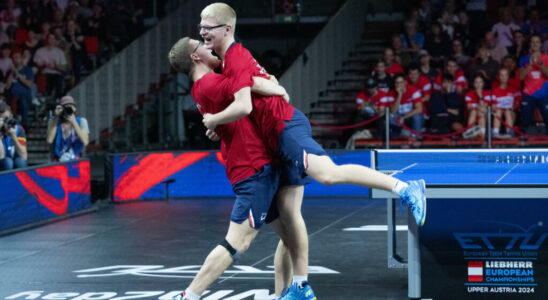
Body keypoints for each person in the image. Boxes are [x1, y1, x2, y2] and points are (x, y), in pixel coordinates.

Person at [174, 3, 426, 300]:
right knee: (290, 224)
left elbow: (248, 96)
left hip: (283, 126)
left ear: (226, 29)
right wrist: (259, 96)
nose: (202, 34)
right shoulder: (226, 66)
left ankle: (405, 187)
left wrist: (239, 107)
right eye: (199, 32)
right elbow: (257, 86)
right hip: (271, 141)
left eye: (206, 29)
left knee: (327, 175)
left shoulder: (235, 58)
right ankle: (294, 290)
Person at [169, 36, 299, 300]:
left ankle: (281, 295)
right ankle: (189, 296)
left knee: (291, 236)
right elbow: (253, 85)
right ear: (196, 57)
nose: (210, 45)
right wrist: (276, 86)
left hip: (262, 166)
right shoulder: (210, 83)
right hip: (253, 172)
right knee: (238, 242)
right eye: (202, 44)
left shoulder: (201, 89)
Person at [519, 34, 548, 134]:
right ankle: (522, 143)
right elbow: (521, 77)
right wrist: (530, 64)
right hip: (528, 94)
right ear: (530, 44)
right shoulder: (524, 59)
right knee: (525, 121)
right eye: (533, 42)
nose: (535, 44)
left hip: (544, 94)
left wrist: (539, 62)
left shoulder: (546, 58)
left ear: (540, 44)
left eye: (537, 42)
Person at [46, 96, 89, 161]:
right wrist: (56, 117)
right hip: (58, 158)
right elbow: (49, 140)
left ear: (75, 108)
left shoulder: (82, 121)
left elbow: (85, 141)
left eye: (70, 107)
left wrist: (74, 122)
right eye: (65, 107)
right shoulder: (53, 121)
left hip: (77, 158)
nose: (67, 110)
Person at [384, 73, 424, 138]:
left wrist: (404, 117)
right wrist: (399, 95)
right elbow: (393, 111)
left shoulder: (413, 90)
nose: (399, 85)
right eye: (397, 83)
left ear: (405, 82)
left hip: (410, 117)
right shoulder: (391, 93)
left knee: (417, 116)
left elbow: (419, 109)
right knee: (388, 117)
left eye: (401, 82)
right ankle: (402, 133)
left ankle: (417, 139)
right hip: (399, 117)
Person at [33, 33, 68, 100]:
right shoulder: (40, 51)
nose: (51, 40)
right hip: (44, 73)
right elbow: (36, 65)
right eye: (50, 38)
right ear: (47, 39)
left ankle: (57, 99)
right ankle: (45, 98)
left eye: (53, 38)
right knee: (43, 79)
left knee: (59, 80)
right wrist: (44, 65)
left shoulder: (60, 52)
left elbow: (64, 67)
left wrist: (56, 66)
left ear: (55, 40)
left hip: (56, 73)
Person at [8, 50, 34, 131]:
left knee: (23, 101)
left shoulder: (27, 70)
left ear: (22, 59)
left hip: (24, 96)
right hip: (13, 96)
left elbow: (29, 84)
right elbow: (7, 86)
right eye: (14, 58)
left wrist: (17, 74)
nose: (15, 59)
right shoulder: (11, 71)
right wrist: (12, 73)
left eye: (17, 57)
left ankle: (24, 126)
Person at [491, 68, 520, 137]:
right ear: (498, 77)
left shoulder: (514, 89)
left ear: (508, 76)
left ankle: (509, 132)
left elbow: (517, 102)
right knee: (499, 111)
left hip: (510, 111)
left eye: (505, 75)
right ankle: (495, 132)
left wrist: (512, 108)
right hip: (498, 111)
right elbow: (493, 106)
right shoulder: (494, 91)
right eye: (501, 75)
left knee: (508, 111)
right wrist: (497, 109)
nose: (504, 77)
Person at [0, 101, 27, 171]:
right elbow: (1, 156)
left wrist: (13, 136)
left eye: (8, 118)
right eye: (3, 119)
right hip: (3, 165)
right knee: (8, 162)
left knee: (20, 161)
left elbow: (24, 157)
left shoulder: (18, 129)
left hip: (16, 162)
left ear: (12, 116)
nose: (6, 122)